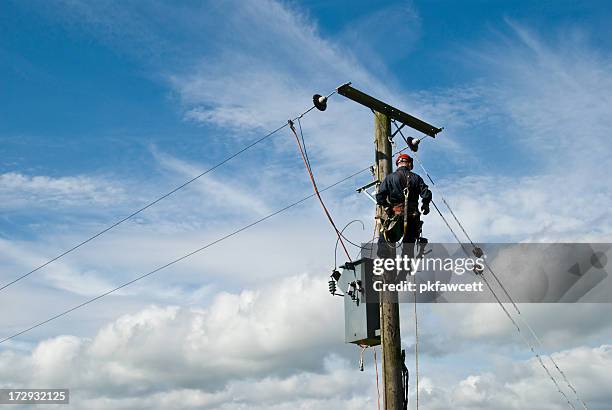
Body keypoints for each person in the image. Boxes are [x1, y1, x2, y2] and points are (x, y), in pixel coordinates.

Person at [376, 153, 432, 260]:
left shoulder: (389, 178)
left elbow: (380, 197)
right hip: (412, 217)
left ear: (398, 164)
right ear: (409, 164)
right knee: (408, 247)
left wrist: (388, 208)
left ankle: (384, 265)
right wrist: (425, 205)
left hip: (396, 216)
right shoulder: (416, 178)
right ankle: (403, 273)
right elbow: (426, 193)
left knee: (385, 239)